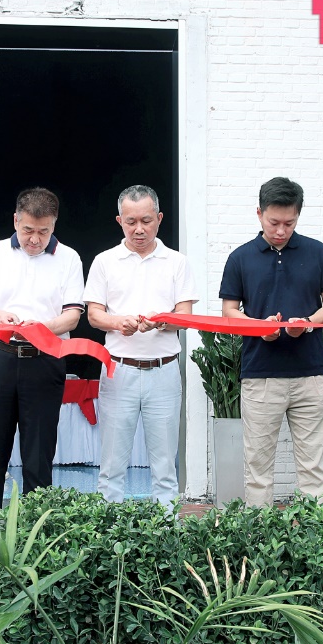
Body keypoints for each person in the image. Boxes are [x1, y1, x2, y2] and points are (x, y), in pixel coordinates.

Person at [219, 177, 323, 506]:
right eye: (274, 222)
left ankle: (312, 538)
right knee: (257, 466)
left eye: (289, 222)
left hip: (310, 374)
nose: (281, 230)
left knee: (313, 464)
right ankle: (260, 540)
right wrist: (259, 327)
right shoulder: (240, 258)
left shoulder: (319, 252)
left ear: (299, 215)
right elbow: (229, 311)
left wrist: (308, 324)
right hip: (260, 375)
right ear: (259, 214)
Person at [85, 185, 197, 507]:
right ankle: (108, 536)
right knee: (111, 466)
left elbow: (185, 318)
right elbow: (93, 315)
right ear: (119, 220)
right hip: (118, 369)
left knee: (164, 467)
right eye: (131, 221)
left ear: (159, 219)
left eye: (146, 220)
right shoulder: (105, 262)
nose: (139, 229)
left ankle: (165, 534)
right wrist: (118, 322)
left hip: (164, 372)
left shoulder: (177, 262)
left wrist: (162, 321)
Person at [0, 187, 84, 505]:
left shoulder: (69, 258)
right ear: (15, 221)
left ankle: (38, 526)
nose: (35, 239)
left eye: (43, 231)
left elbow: (72, 317)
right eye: (27, 230)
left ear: (54, 225)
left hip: (45, 359)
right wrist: (0, 316)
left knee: (39, 452)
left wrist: (38, 330)